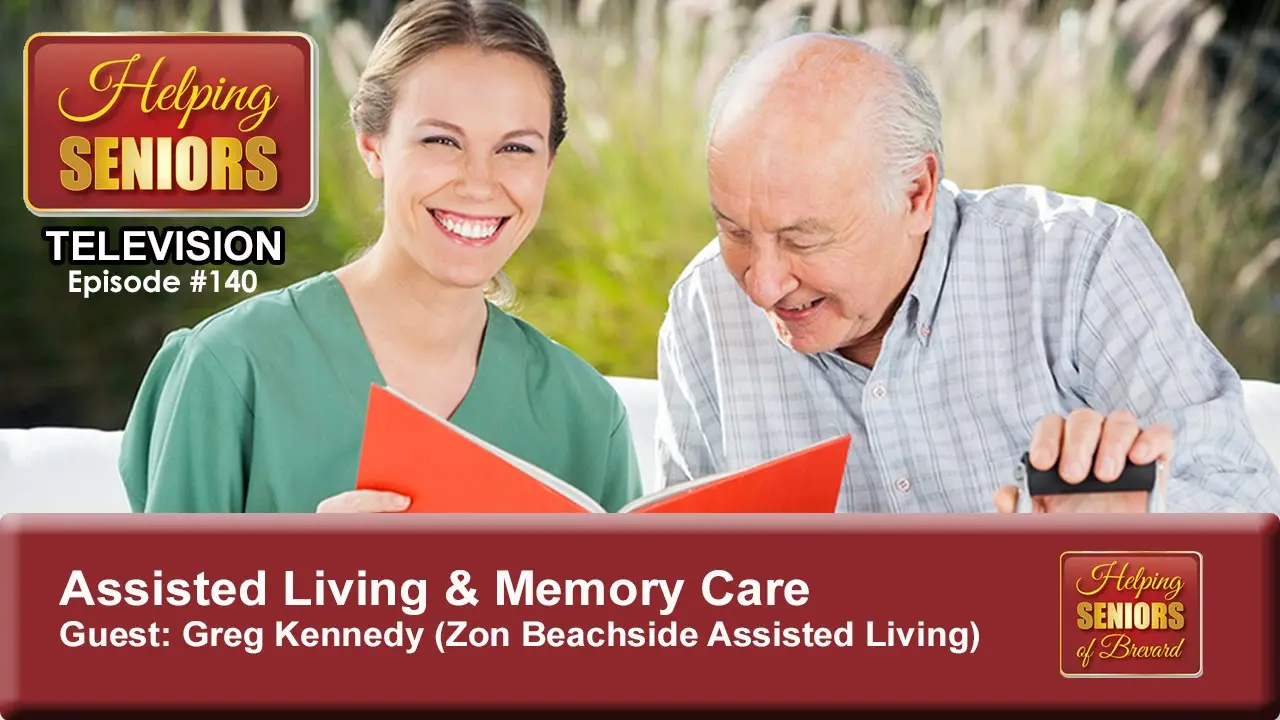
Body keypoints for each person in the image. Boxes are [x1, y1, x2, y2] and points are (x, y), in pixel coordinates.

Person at [655, 32, 1280, 514]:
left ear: (916, 194)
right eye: (735, 230)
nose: (762, 286)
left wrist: (1137, 526)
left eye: (802, 238)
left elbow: (1246, 500)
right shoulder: (703, 309)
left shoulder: (1081, 263)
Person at [118, 0, 644, 513]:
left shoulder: (587, 416)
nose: (479, 184)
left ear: (548, 164)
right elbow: (154, 597)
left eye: (515, 148)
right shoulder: (231, 368)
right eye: (442, 140)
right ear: (373, 147)